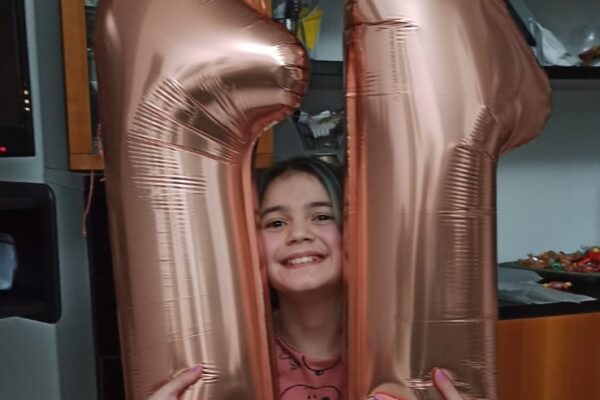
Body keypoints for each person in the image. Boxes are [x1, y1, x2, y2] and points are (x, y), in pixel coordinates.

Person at [149, 157, 464, 400]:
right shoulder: (226, 360)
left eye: (322, 216)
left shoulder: (403, 356)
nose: (299, 234)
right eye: (276, 223)